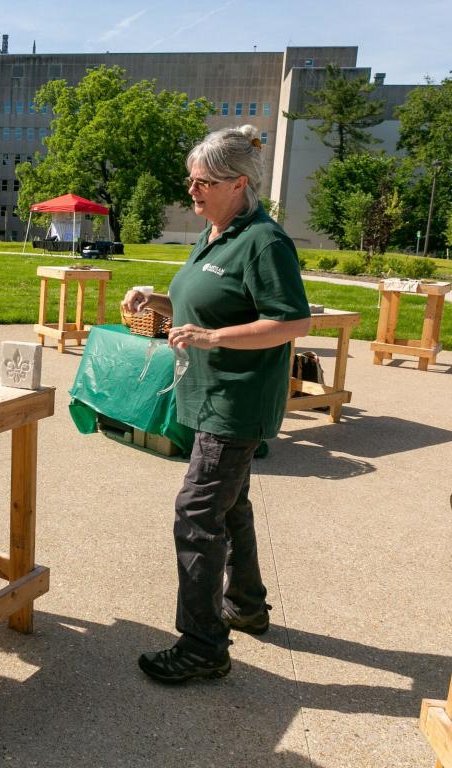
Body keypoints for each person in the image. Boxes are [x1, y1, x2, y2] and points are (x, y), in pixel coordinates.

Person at [122, 125, 311, 683]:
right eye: (191, 180)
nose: (192, 191)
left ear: (236, 183)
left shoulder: (263, 240)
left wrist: (214, 340)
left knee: (197, 514)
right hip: (208, 396)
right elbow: (208, 300)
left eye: (202, 182)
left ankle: (203, 645)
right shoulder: (215, 233)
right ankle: (246, 605)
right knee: (231, 505)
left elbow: (291, 320)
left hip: (237, 400)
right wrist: (153, 297)